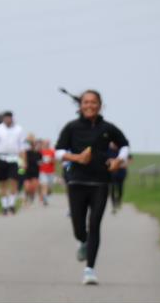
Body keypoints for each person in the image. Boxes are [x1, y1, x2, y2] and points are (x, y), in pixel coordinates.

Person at [55, 90, 130, 285]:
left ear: (100, 105)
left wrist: (118, 160)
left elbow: (124, 145)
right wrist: (76, 158)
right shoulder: (71, 127)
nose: (90, 105)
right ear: (80, 105)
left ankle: (90, 269)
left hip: (100, 182)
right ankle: (83, 241)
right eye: (86, 102)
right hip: (77, 182)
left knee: (95, 224)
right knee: (79, 228)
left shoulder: (108, 128)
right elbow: (58, 152)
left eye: (94, 102)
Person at [0, 111, 27, 215]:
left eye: (9, 118)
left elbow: (22, 147)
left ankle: (11, 204)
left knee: (14, 181)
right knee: (3, 183)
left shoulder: (19, 129)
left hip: (15, 158)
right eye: (6, 118)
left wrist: (23, 162)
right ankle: (4, 206)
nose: (7, 120)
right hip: (1, 157)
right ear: (3, 119)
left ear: (12, 118)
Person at [108, 142, 130, 213]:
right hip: (111, 173)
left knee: (120, 188)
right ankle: (113, 203)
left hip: (121, 172)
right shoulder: (108, 150)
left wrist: (125, 164)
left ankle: (119, 200)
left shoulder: (121, 150)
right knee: (112, 188)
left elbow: (129, 158)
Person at [22, 135, 41, 206]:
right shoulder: (25, 152)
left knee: (33, 187)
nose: (33, 145)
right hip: (27, 171)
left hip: (35, 172)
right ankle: (25, 198)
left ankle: (32, 196)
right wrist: (21, 170)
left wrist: (40, 163)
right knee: (27, 187)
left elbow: (40, 161)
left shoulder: (38, 153)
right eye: (31, 143)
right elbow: (21, 161)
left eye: (34, 143)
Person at [38, 139, 56, 206]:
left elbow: (54, 161)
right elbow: (38, 161)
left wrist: (51, 160)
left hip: (51, 172)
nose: (46, 144)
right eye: (45, 143)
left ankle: (47, 194)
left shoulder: (52, 151)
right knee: (44, 185)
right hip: (42, 172)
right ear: (43, 144)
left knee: (49, 188)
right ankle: (45, 199)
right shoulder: (40, 152)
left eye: (48, 143)